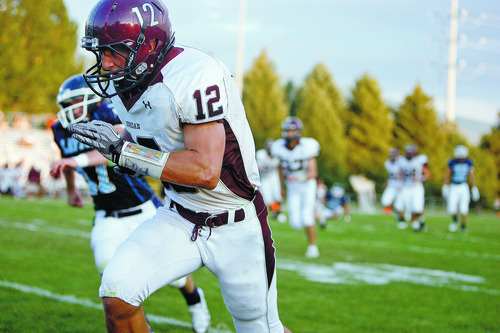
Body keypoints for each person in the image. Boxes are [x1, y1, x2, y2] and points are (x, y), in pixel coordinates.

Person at [70, 1, 290, 332]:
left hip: (234, 222)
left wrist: (122, 151)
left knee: (260, 329)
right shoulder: (123, 82)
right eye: (101, 52)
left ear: (150, 45)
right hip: (178, 215)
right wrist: (115, 143)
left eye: (115, 51)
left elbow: (205, 170)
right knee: (117, 293)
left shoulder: (193, 74)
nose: (107, 63)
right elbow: (141, 133)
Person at [50, 74, 211, 333]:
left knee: (176, 276)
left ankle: (194, 299)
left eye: (77, 101)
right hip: (106, 213)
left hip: (142, 208)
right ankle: (138, 323)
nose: (71, 109)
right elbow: (66, 159)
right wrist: (71, 190)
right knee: (108, 268)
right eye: (66, 104)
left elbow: (111, 149)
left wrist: (76, 163)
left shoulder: (109, 114)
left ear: (92, 100)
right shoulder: (61, 129)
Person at [271, 117, 320, 258]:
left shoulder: (307, 147)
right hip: (292, 188)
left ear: (298, 132)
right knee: (295, 224)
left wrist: (300, 177)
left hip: (307, 186)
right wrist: (281, 187)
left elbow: (313, 172)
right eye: (287, 130)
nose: (290, 134)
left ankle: (313, 247)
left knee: (306, 217)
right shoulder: (279, 147)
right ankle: (318, 214)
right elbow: (280, 169)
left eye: (292, 130)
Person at [442, 145, 480, 232]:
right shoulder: (452, 162)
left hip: (463, 186)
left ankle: (463, 225)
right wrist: (445, 186)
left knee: (464, 208)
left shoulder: (468, 162)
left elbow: (471, 176)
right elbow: (448, 175)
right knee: (451, 208)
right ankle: (455, 220)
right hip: (454, 186)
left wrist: (474, 188)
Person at [397, 144, 430, 232]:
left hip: (416, 187)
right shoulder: (401, 160)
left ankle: (421, 221)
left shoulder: (420, 160)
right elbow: (399, 173)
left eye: (412, 152)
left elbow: (427, 174)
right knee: (410, 208)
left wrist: (421, 178)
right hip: (406, 187)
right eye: (409, 152)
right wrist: (399, 183)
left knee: (417, 208)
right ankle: (416, 226)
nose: (410, 154)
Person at [256, 139, 285, 222]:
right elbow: (257, 169)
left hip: (273, 176)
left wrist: (281, 182)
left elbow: (281, 169)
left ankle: (277, 212)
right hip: (264, 177)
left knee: (277, 196)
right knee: (268, 198)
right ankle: (276, 211)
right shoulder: (261, 155)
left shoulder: (278, 156)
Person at [381, 148, 404, 221]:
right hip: (391, 185)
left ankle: (402, 217)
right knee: (385, 201)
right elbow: (390, 175)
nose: (393, 156)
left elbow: (404, 174)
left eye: (395, 154)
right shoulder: (387, 163)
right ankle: (399, 213)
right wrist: (386, 182)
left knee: (399, 204)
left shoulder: (402, 162)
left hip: (400, 185)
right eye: (392, 154)